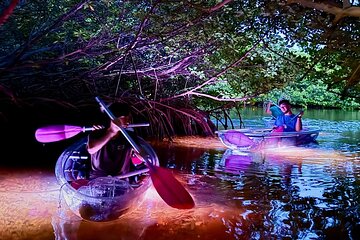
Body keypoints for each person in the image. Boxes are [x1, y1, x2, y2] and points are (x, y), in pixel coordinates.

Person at [87, 102, 139, 178]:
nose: (128, 121)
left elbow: (139, 156)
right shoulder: (97, 132)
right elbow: (91, 149)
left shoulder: (130, 135)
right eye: (124, 117)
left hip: (122, 179)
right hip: (98, 178)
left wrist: (142, 157)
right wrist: (111, 132)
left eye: (129, 118)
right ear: (114, 119)